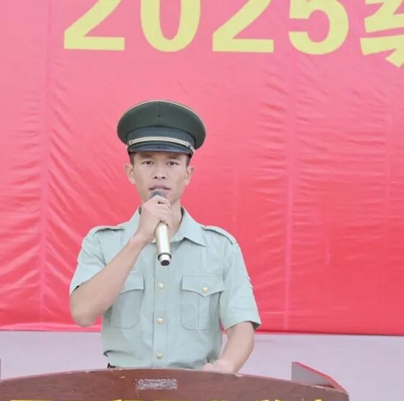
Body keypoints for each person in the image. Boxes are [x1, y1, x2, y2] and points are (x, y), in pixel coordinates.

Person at [68, 99, 261, 373]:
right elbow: (83, 313)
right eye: (147, 162)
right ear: (131, 173)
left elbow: (241, 325)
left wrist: (226, 366)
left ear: (188, 174)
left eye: (172, 163)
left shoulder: (220, 247)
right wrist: (138, 240)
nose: (159, 174)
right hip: (122, 389)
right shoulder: (102, 242)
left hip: (195, 388)